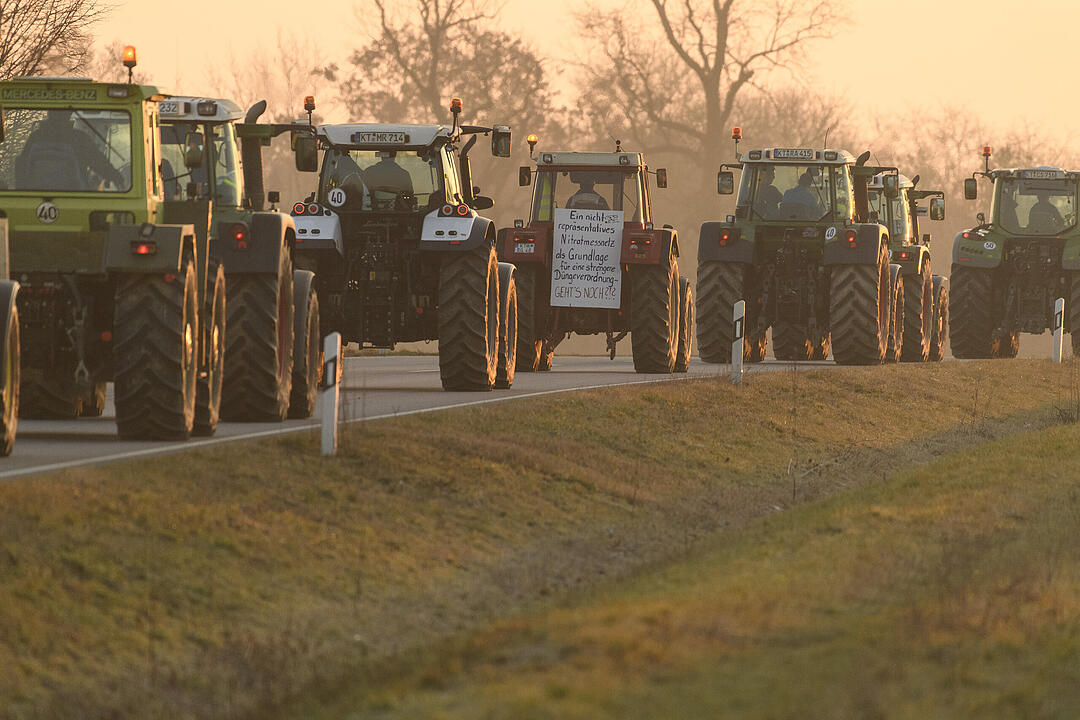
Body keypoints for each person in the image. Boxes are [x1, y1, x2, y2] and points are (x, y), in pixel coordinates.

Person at [15, 111, 125, 191]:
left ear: (49, 114)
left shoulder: (35, 137)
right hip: (75, 197)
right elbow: (99, 163)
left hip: (35, 199)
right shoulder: (78, 138)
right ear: (68, 115)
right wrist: (117, 177)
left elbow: (22, 166)